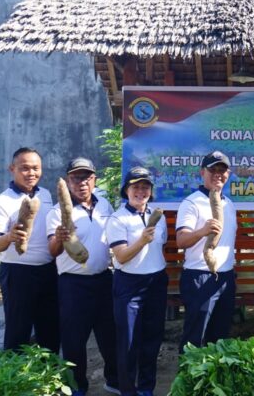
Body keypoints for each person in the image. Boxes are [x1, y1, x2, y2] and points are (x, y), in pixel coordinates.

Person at [46, 158, 119, 396]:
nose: (82, 183)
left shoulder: (105, 205)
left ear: (94, 179)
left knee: (109, 334)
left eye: (86, 177)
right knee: (74, 339)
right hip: (73, 283)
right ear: (68, 181)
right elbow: (53, 251)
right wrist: (59, 236)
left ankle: (113, 379)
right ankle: (78, 385)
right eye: (76, 177)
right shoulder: (57, 212)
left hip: (103, 279)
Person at [0, 147, 59, 352]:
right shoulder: (1, 202)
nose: (31, 173)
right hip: (18, 273)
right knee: (18, 332)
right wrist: (9, 237)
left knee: (50, 330)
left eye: (35, 168)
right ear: (12, 169)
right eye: (25, 168)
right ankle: (15, 380)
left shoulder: (45, 194)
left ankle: (49, 379)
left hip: (47, 271)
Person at [106, 167, 168, 396]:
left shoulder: (157, 216)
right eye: (136, 187)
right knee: (129, 343)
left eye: (145, 187)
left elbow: (161, 245)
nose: (140, 191)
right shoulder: (117, 219)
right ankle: (128, 391)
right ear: (126, 190)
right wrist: (141, 241)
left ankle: (146, 389)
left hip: (156, 282)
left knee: (152, 340)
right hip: (129, 286)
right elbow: (121, 256)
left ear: (151, 192)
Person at [175, 151, 237, 349]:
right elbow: (181, 240)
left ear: (228, 174)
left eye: (222, 170)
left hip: (225, 278)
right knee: (195, 338)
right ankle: (189, 380)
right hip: (199, 276)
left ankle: (212, 381)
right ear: (202, 172)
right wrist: (202, 231)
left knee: (219, 339)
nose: (218, 174)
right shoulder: (191, 203)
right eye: (213, 170)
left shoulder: (229, 203)